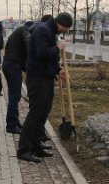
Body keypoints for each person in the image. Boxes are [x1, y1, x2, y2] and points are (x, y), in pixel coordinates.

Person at [17, 12, 73, 163]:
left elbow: (50, 59)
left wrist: (58, 70)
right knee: (35, 113)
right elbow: (41, 53)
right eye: (66, 28)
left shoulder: (51, 32)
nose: (65, 31)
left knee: (43, 113)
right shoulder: (42, 30)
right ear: (60, 23)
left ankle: (36, 145)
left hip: (46, 77)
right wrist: (58, 47)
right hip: (37, 78)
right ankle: (24, 149)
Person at [2, 20, 34, 133]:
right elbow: (29, 43)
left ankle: (15, 122)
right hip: (12, 66)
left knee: (15, 96)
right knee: (14, 97)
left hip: (11, 65)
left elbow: (21, 55)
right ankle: (11, 125)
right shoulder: (24, 31)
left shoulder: (19, 31)